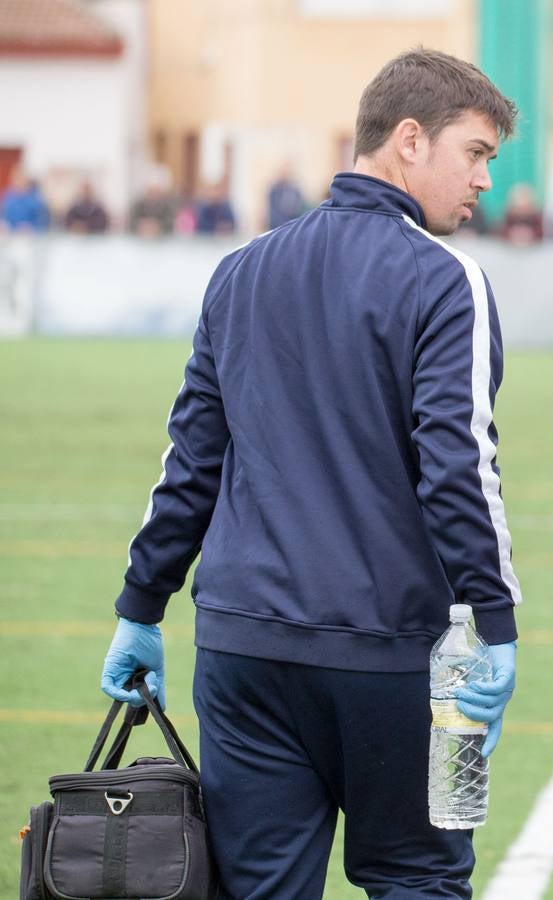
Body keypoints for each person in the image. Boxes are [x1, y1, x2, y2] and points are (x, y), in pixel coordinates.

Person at [98, 48, 522, 899]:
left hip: (241, 652)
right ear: (410, 139)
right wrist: (496, 624)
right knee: (424, 882)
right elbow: (459, 467)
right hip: (409, 666)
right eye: (476, 153)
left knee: (260, 890)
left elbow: (191, 465)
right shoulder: (450, 280)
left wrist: (141, 607)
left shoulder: (240, 267)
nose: (485, 182)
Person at [266, 163, 307, 230]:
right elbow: (273, 212)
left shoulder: (295, 190)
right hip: (277, 227)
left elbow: (300, 207)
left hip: (292, 226)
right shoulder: (275, 190)